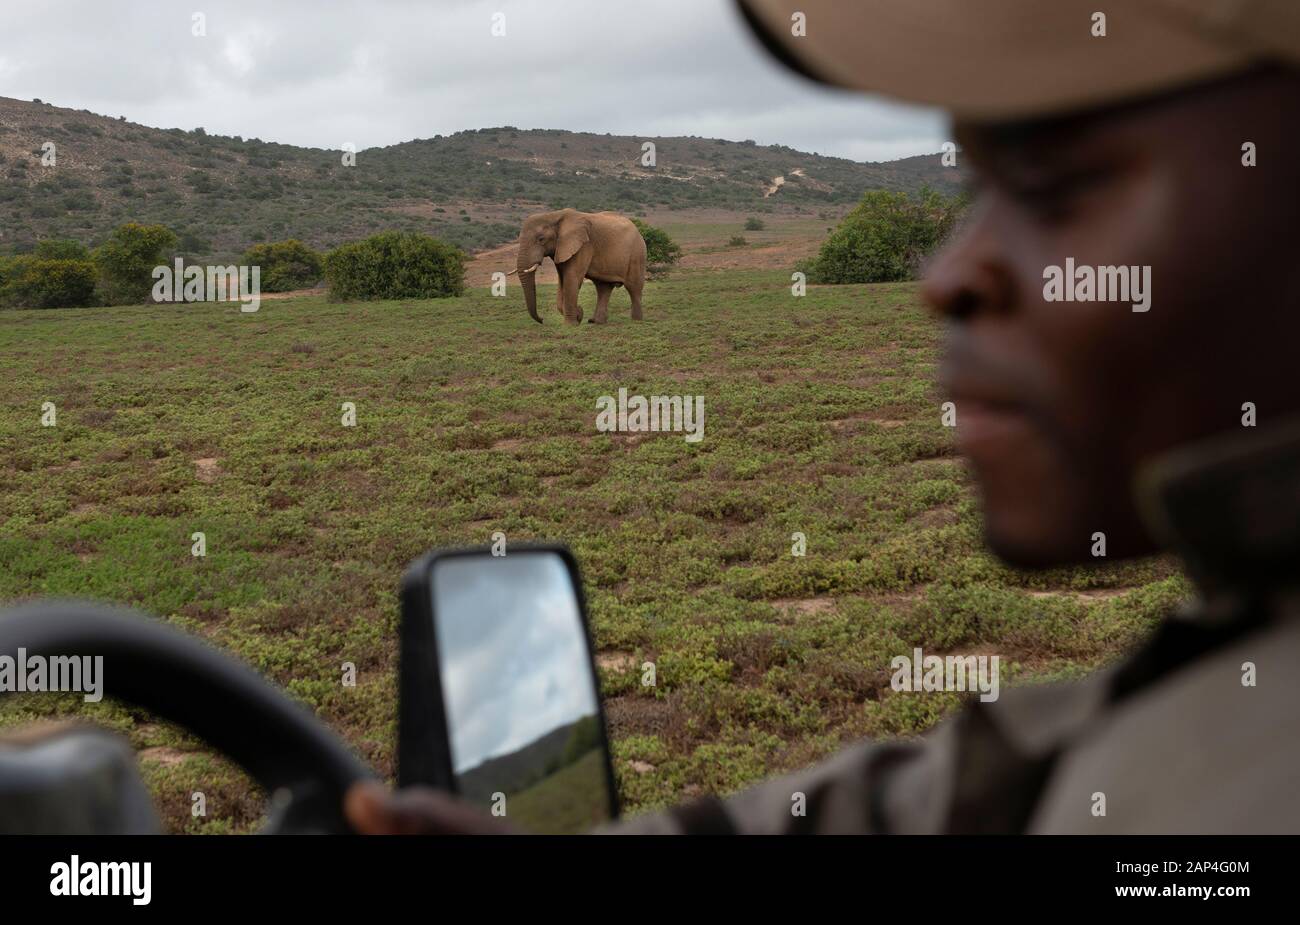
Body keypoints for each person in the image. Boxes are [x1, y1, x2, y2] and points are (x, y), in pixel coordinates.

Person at [347, 0, 1300, 834]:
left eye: (1055, 186)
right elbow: (947, 797)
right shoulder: (1234, 661)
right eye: (974, 193)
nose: (946, 276)